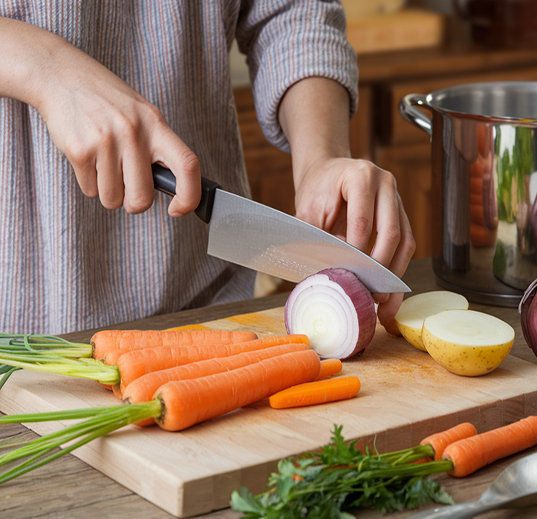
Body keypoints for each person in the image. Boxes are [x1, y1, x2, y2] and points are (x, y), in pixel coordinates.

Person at [0, 1, 415, 335]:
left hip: (209, 318)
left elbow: (292, 12)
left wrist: (320, 157)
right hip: (18, 339)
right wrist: (46, 67)